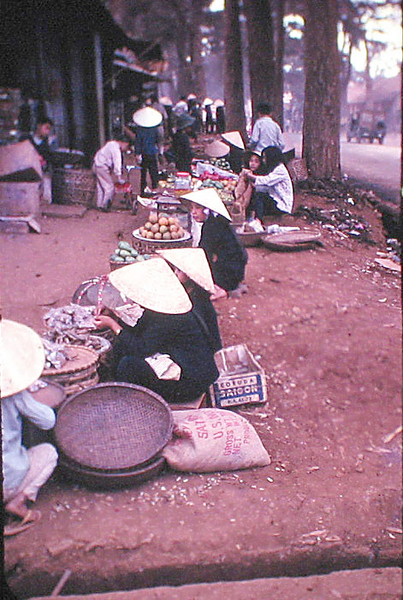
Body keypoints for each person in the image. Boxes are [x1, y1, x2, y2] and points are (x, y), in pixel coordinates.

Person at [94, 258, 219, 404]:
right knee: (122, 346)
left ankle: (135, 402)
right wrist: (113, 314)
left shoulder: (170, 315)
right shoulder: (165, 305)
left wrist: (112, 325)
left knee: (128, 365)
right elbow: (141, 326)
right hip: (187, 364)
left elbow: (140, 348)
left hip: (190, 382)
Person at [1, 320, 58, 536]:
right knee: (49, 453)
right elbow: (47, 421)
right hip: (7, 481)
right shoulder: (13, 393)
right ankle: (17, 502)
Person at [182, 188, 248, 300]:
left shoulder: (212, 226)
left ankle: (223, 290)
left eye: (197, 208)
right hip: (236, 266)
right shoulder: (217, 222)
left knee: (198, 283)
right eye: (192, 208)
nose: (193, 212)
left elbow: (204, 254)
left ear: (207, 210)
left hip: (230, 270)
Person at [157, 247, 222, 353]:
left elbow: (212, 334)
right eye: (175, 269)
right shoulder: (185, 293)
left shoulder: (199, 302)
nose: (175, 273)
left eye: (179, 270)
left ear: (190, 275)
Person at [245, 145, 294, 223]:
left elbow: (266, 180)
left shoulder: (280, 170)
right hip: (275, 198)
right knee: (257, 190)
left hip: (282, 205)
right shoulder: (274, 168)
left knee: (259, 195)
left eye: (264, 158)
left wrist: (250, 176)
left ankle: (258, 221)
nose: (263, 160)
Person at [92, 134, 131, 211]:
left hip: (96, 164)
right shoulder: (115, 148)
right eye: (126, 146)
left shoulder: (110, 143)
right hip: (102, 166)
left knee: (101, 186)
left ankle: (99, 204)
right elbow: (117, 162)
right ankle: (104, 205)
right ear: (123, 142)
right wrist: (119, 177)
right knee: (109, 187)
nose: (125, 148)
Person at [132, 106, 164, 194]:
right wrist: (160, 152)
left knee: (143, 173)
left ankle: (143, 190)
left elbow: (138, 142)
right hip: (152, 152)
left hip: (143, 153)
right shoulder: (155, 129)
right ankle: (155, 188)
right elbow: (159, 140)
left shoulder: (140, 130)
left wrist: (137, 154)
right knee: (154, 171)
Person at [234, 150, 265, 220]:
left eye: (256, 162)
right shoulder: (245, 174)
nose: (253, 164)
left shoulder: (261, 176)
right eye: (251, 161)